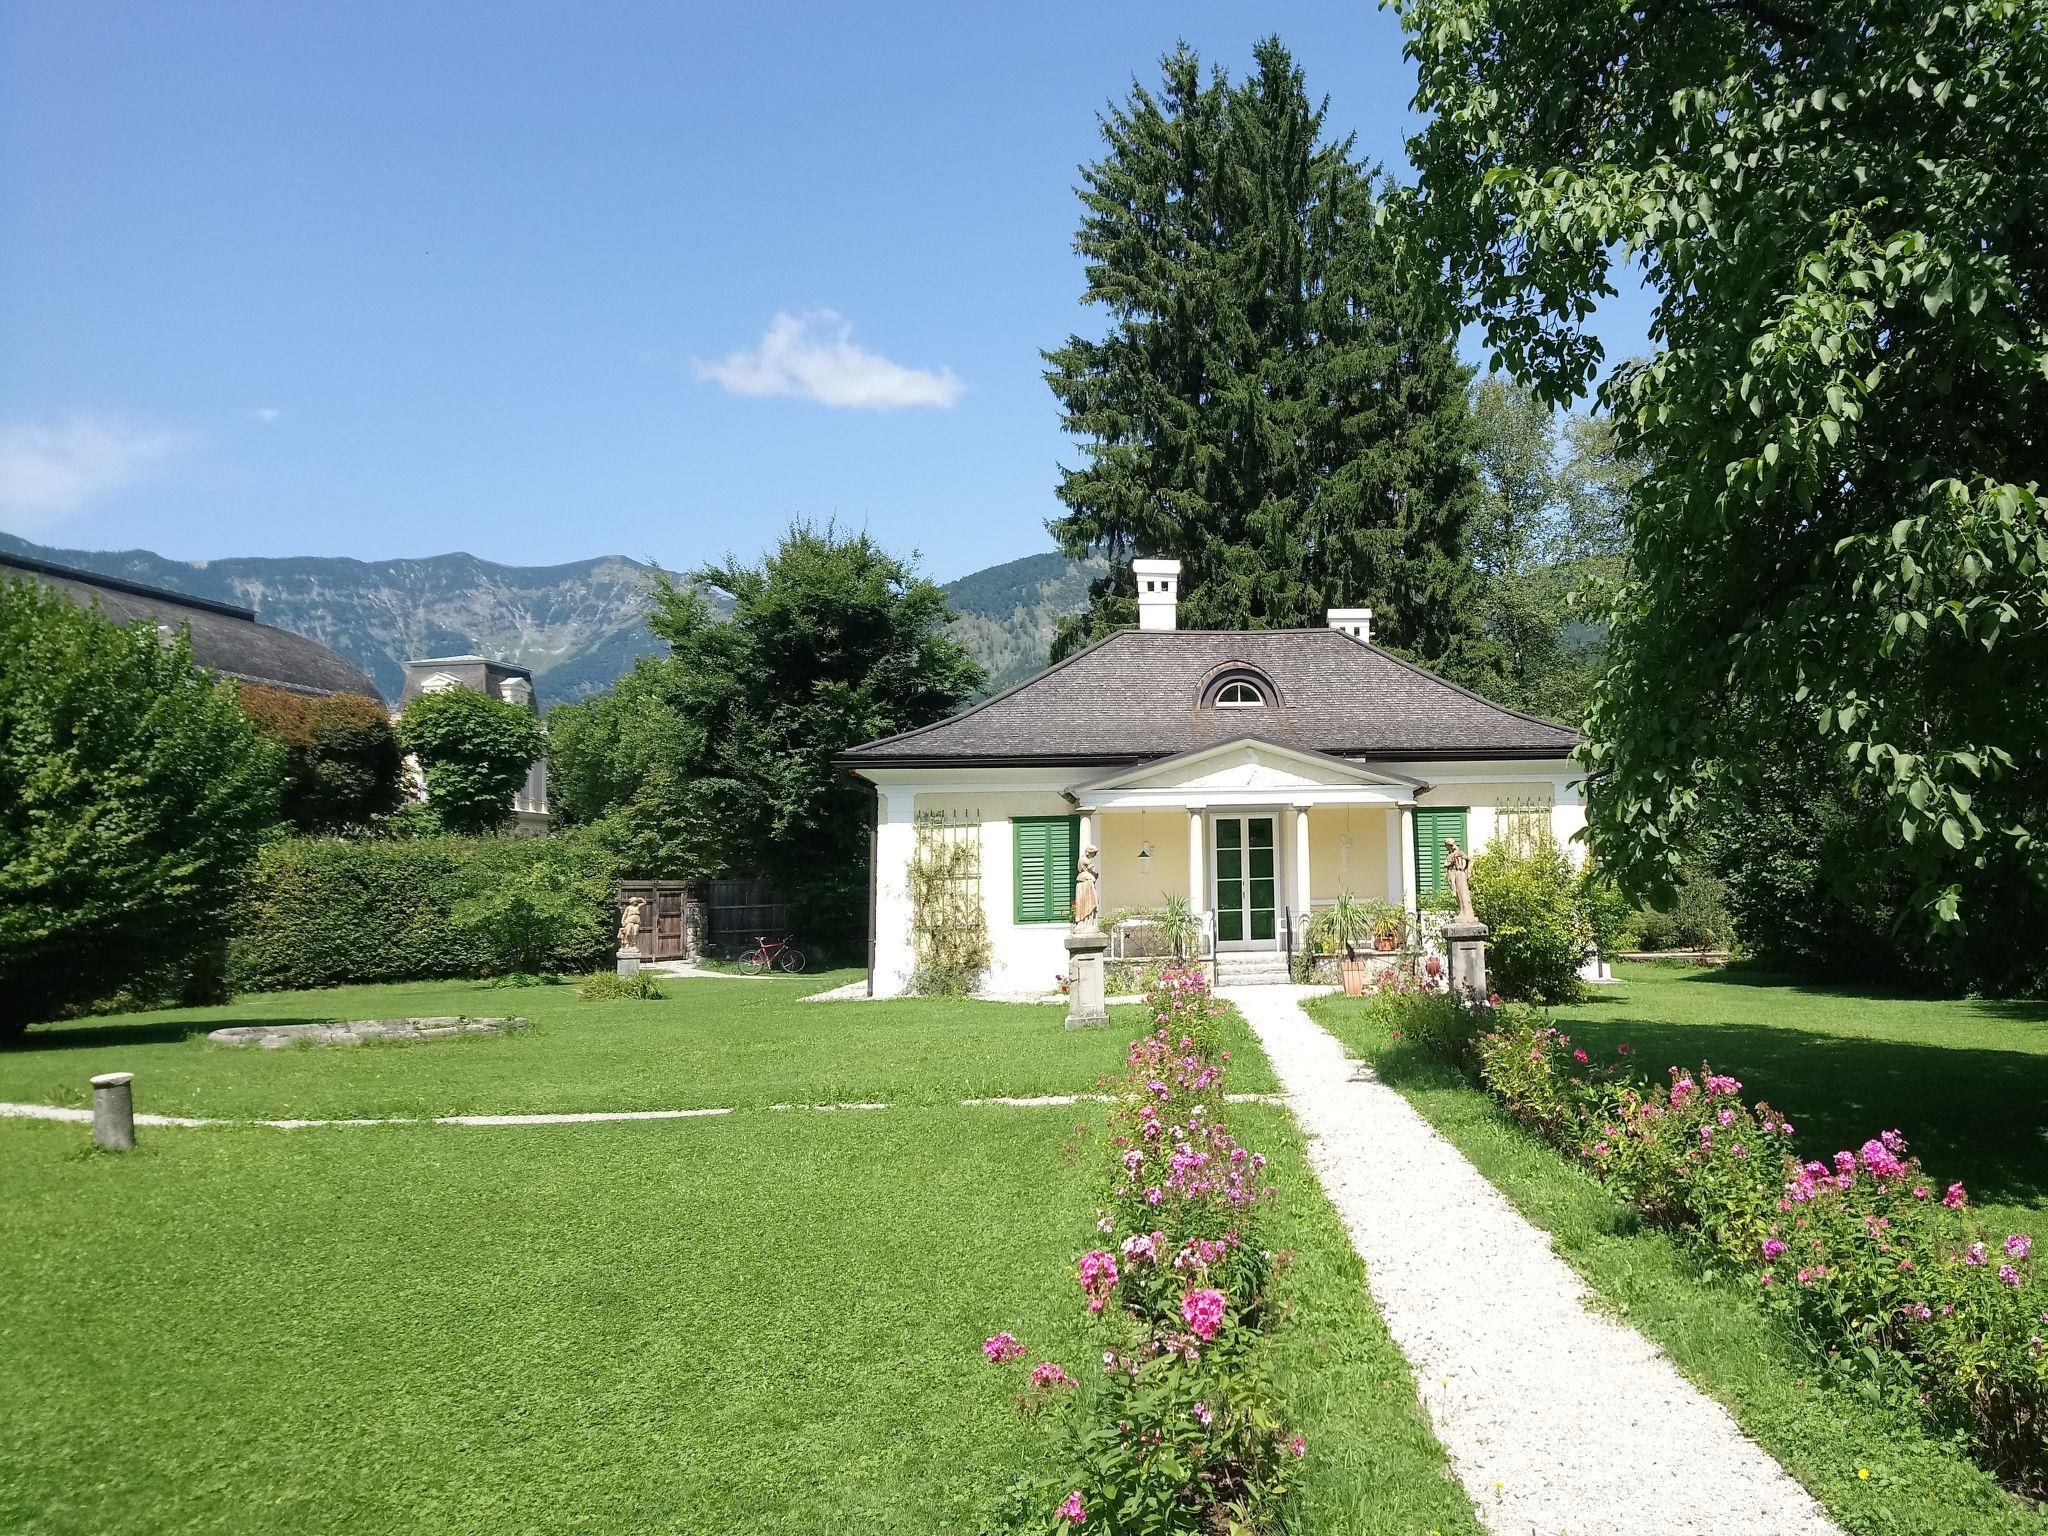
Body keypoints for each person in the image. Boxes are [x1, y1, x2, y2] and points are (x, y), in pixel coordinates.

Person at [1445, 838, 1476, 924]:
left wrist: (1463, 868)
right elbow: (1446, 864)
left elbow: (1468, 860)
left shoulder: (1458, 853)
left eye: (1447, 846)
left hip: (1459, 875)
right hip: (1454, 875)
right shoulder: (1450, 854)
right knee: (1457, 894)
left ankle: (1466, 912)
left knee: (1462, 893)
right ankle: (1463, 911)